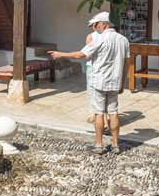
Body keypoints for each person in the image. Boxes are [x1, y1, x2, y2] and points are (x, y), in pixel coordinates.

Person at [49, 11, 130, 155]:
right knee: (113, 112)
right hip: (115, 82)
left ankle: (99, 145)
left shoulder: (99, 39)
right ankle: (115, 145)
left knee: (99, 113)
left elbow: (80, 54)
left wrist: (60, 54)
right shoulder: (123, 40)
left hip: (100, 81)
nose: (94, 28)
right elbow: (127, 63)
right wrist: (122, 82)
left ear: (104, 24)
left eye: (95, 25)